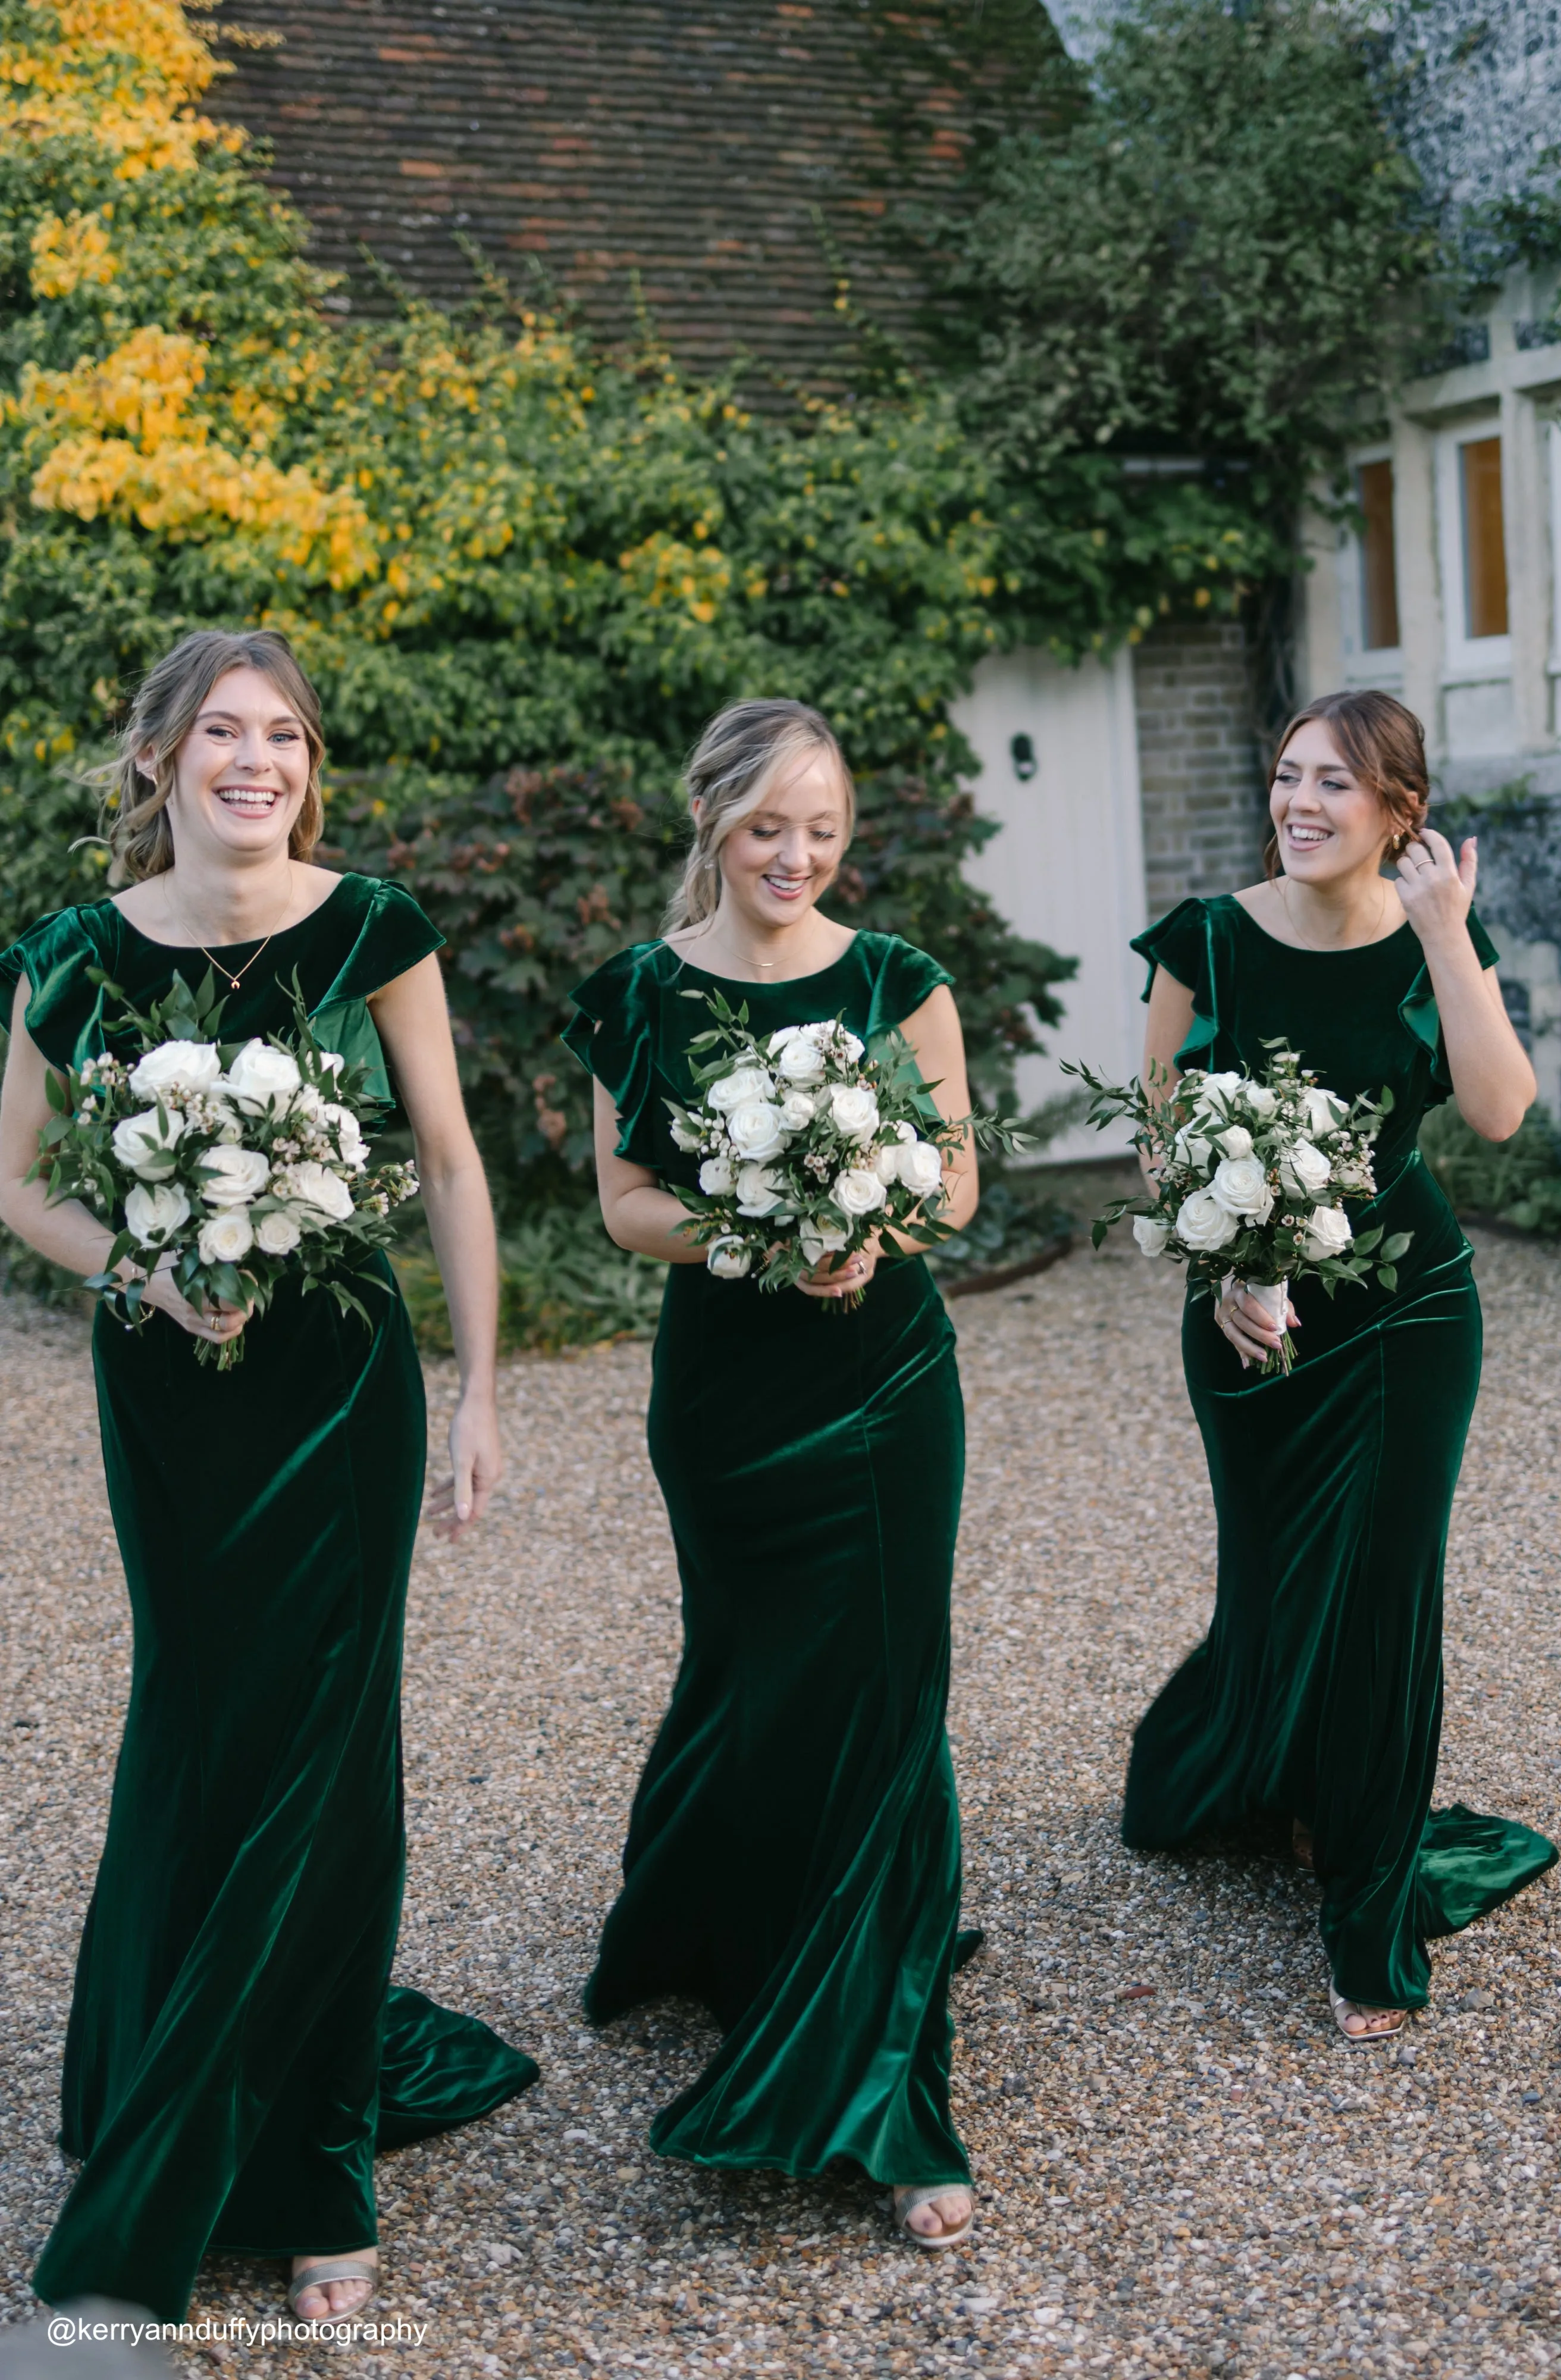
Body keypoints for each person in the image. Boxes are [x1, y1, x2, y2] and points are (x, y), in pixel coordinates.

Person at [0, 630, 537, 2322]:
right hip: (173, 1384)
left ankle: (315, 2150)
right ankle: (163, 2052)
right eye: (223, 733)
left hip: (337, 1382)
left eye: (286, 736)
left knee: (328, 1741)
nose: (258, 761)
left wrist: (477, 1392)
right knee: (200, 1715)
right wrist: (137, 1271)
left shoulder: (371, 924)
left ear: (311, 765)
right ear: (158, 760)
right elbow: (16, 1182)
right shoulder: (78, 954)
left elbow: (447, 1162)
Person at [562, 698, 981, 2244]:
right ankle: (733, 1919)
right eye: (765, 827)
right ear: (713, 825)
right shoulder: (636, 995)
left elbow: (955, 1176)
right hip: (728, 1396)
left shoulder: (898, 981)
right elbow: (620, 1202)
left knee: (880, 1691)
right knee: (751, 1666)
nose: (794, 854)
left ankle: (889, 2083)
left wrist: (875, 1219)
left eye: (821, 827)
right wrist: (760, 1227)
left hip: (884, 1388)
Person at [1121, 687, 1557, 2042]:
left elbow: (1497, 1110)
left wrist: (1443, 933)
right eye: (1287, 776)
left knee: (1384, 1589)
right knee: (1274, 1573)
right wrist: (1226, 1262)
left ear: (1397, 814)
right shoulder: (1208, 939)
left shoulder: (1435, 929)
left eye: (1336, 786)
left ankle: (1366, 1904)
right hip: (1252, 1312)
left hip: (1407, 1310)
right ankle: (1275, 1773)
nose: (1300, 804)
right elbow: (1157, 1138)